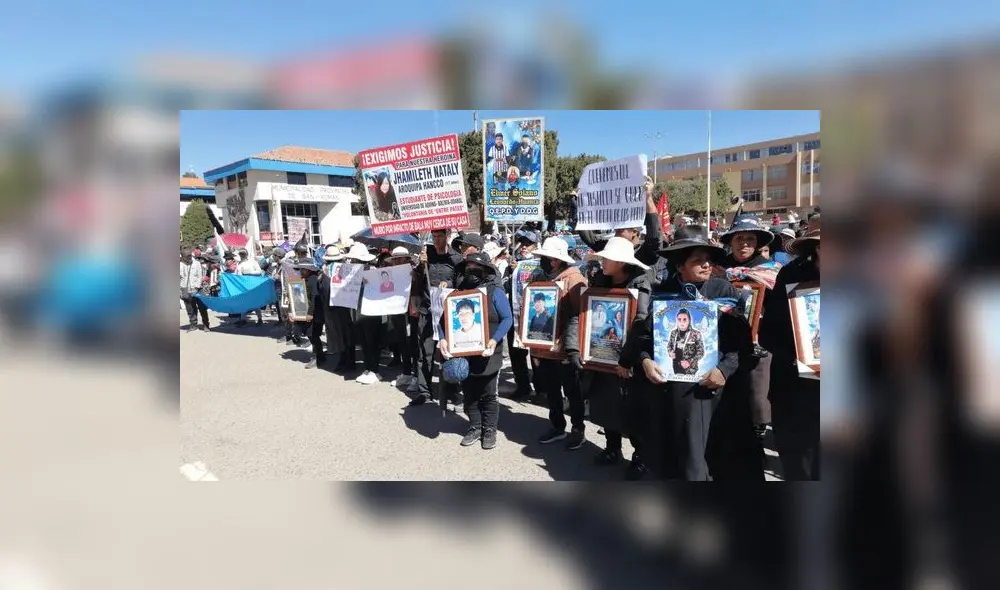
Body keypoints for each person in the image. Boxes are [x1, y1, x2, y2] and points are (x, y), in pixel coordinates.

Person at [627, 226, 752, 480]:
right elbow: (644, 338)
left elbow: (742, 343)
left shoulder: (723, 291)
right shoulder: (662, 292)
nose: (707, 265)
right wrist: (645, 360)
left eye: (709, 260)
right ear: (679, 266)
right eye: (698, 260)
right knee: (672, 456)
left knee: (708, 457)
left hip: (711, 389)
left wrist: (724, 370)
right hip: (670, 392)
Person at [715, 213, 785, 479]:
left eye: (750, 239)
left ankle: (755, 452)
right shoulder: (718, 269)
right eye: (739, 238)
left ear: (758, 243)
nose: (744, 243)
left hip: (758, 348)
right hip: (722, 347)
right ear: (731, 241)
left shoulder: (771, 271)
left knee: (755, 405)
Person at [759, 215, 820, 481]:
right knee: (798, 466)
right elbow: (768, 333)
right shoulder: (791, 274)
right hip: (794, 389)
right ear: (816, 247)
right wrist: (797, 357)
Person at [587, 236, 652, 479]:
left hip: (630, 358)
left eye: (608, 258)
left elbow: (640, 323)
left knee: (632, 410)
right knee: (606, 404)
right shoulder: (599, 281)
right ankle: (612, 448)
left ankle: (640, 457)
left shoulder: (640, 284)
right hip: (602, 354)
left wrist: (628, 358)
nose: (603, 262)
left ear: (622, 262)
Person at [439, 252, 513, 450]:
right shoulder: (457, 295)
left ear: (485, 270)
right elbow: (442, 322)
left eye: (476, 267)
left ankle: (489, 430)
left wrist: (494, 340)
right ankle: (475, 426)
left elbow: (507, 319)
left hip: (489, 352)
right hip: (464, 353)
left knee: (488, 393)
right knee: (469, 392)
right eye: (468, 267)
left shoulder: (494, 291)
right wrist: (444, 339)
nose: (471, 270)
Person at [530, 237, 588, 450]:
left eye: (546, 257)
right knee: (552, 390)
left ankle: (578, 429)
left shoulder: (575, 279)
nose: (542, 261)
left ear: (555, 260)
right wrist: (534, 348)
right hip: (545, 348)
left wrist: (573, 348)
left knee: (572, 391)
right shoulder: (540, 277)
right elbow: (531, 313)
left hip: (565, 349)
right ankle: (557, 426)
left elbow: (581, 314)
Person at [409, 229, 464, 405]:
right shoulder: (426, 254)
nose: (436, 239)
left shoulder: (456, 258)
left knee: (449, 353)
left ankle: (452, 391)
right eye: (434, 236)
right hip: (428, 310)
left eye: (440, 236)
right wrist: (420, 265)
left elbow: (461, 282)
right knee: (424, 353)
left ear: (447, 236)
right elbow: (416, 280)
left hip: (447, 313)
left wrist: (449, 283)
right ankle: (424, 391)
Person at [505, 229, 541, 401]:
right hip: (516, 314)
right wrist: (512, 273)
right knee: (516, 352)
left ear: (535, 245)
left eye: (528, 244)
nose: (524, 247)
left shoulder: (542, 263)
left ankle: (541, 388)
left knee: (537, 353)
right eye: (523, 243)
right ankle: (522, 386)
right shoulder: (513, 263)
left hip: (535, 315)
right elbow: (504, 286)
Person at [343, 242, 381, 384]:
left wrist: (367, 282)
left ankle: (375, 370)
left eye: (354, 260)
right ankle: (368, 367)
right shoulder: (352, 274)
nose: (352, 262)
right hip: (357, 312)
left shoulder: (373, 272)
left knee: (372, 342)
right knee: (363, 342)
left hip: (371, 313)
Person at [180, 248, 209, 332]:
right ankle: (193, 325)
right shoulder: (180, 265)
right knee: (190, 309)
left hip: (198, 289)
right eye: (187, 256)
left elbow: (200, 277)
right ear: (183, 257)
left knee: (202, 308)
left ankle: (206, 325)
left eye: (190, 255)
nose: (189, 257)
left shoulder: (196, 263)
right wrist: (180, 291)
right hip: (185, 290)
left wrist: (196, 288)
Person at [236, 249, 264, 326]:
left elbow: (259, 271)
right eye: (241, 254)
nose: (242, 256)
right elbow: (238, 274)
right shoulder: (239, 263)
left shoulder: (252, 262)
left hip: (252, 285)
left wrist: (249, 273)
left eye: (243, 254)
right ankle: (243, 319)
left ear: (246, 254)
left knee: (255, 302)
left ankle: (260, 319)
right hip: (242, 285)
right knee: (243, 302)